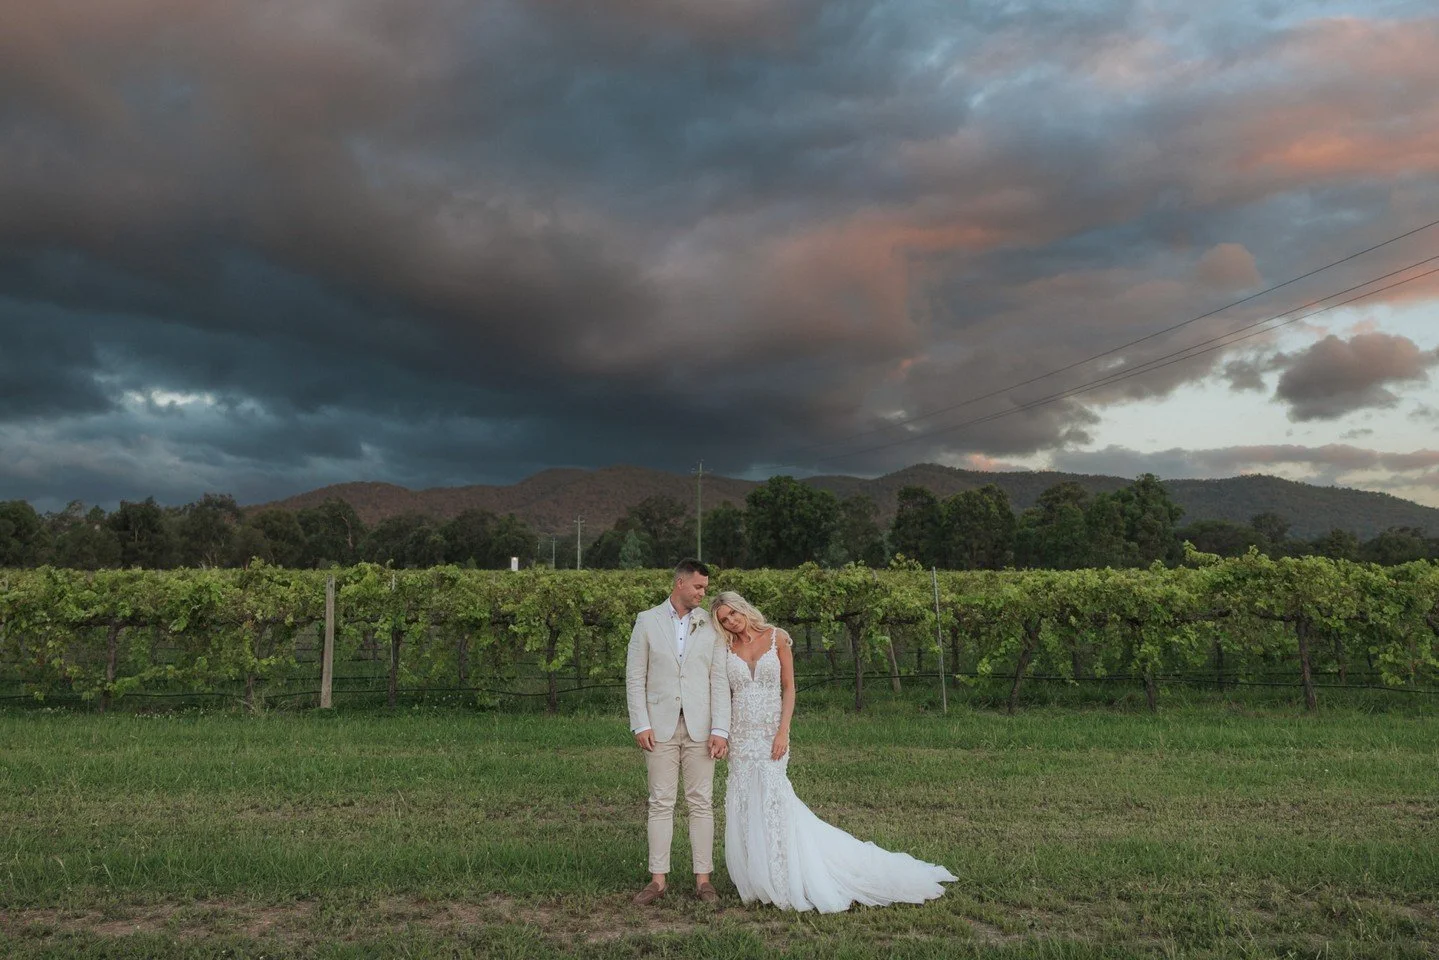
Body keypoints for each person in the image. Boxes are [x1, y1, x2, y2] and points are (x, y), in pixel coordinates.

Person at [711, 590, 957, 912]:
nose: (731, 621)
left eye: (732, 613)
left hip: (771, 732)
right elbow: (722, 693)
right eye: (724, 620)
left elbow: (789, 688)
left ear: (743, 609)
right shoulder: (725, 648)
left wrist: (783, 731)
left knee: (774, 799)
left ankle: (786, 871)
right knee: (745, 802)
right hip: (742, 736)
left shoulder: (777, 638)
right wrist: (723, 734)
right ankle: (758, 875)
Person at [625, 559, 731, 905]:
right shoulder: (647, 621)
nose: (703, 593)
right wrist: (641, 722)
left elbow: (719, 679)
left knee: (702, 803)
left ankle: (704, 880)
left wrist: (720, 729)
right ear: (680, 583)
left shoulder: (710, 625)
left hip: (702, 728)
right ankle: (658, 880)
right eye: (699, 587)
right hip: (660, 727)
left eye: (705, 587)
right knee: (660, 802)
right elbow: (634, 676)